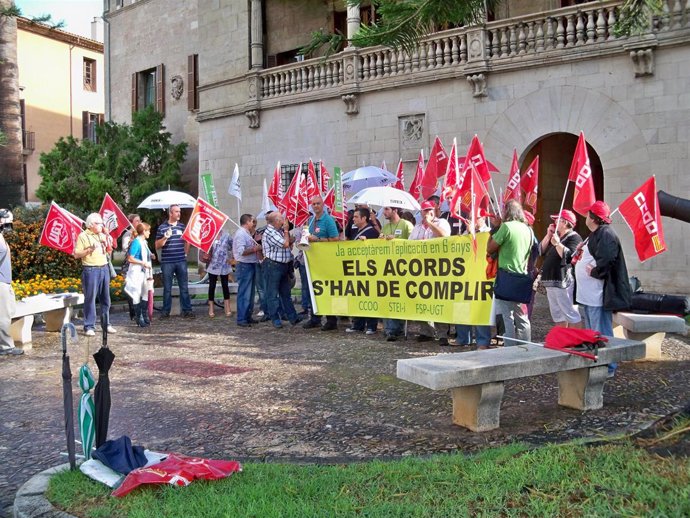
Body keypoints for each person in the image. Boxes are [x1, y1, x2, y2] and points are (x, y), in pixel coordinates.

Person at [574, 201, 632, 377]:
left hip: (597, 295)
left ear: (593, 218)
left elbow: (607, 259)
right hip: (588, 295)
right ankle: (598, 362)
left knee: (602, 332)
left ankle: (609, 366)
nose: (586, 217)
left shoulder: (606, 234)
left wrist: (595, 271)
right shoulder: (596, 233)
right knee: (593, 333)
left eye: (588, 214)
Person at [487, 199, 533, 347]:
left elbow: (490, 248)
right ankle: (526, 346)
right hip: (521, 276)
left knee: (507, 317)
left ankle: (510, 349)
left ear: (507, 212)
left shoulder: (506, 227)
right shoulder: (528, 229)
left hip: (506, 277)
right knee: (522, 316)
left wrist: (496, 227)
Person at [410, 200, 451, 343]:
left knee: (439, 300)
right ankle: (426, 331)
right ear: (421, 212)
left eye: (429, 210)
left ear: (434, 210)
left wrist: (430, 223)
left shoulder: (442, 222)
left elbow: (445, 237)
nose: (427, 213)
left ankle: (442, 334)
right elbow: (408, 245)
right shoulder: (417, 227)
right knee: (421, 299)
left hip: (438, 268)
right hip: (420, 268)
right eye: (424, 210)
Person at [452, 214, 492, 349]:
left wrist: (472, 233)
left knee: (480, 308)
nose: (472, 220)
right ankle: (463, 338)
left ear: (483, 219)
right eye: (470, 217)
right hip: (464, 274)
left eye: (476, 217)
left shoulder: (488, 232)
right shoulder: (465, 231)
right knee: (462, 305)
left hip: (481, 276)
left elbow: (484, 249)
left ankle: (483, 341)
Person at [74, 213, 116, 337]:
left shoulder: (101, 235)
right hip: (91, 269)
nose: (102, 226)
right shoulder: (83, 236)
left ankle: (106, 324)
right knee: (90, 298)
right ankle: (89, 326)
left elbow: (109, 250)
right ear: (91, 224)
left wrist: (107, 242)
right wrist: (89, 250)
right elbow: (76, 254)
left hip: (104, 267)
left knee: (106, 298)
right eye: (99, 224)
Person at [539, 209, 583, 328]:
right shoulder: (556, 237)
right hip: (551, 281)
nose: (554, 222)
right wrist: (548, 235)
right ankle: (562, 340)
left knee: (569, 312)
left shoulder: (575, 238)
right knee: (557, 314)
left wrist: (558, 244)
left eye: (557, 220)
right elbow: (540, 250)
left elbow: (570, 256)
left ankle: (576, 341)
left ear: (564, 222)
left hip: (562, 280)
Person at [302, 195, 340, 331]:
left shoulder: (328, 220)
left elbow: (335, 239)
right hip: (313, 261)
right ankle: (315, 318)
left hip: (327, 261)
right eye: (313, 204)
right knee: (313, 290)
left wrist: (317, 239)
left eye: (318, 203)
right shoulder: (311, 221)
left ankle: (331, 319)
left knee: (328, 290)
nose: (316, 206)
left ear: (323, 205)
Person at [261, 212, 303, 328]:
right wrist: (286, 231)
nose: (284, 221)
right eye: (281, 219)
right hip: (272, 265)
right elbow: (285, 244)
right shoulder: (270, 232)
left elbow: (288, 242)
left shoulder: (278, 231)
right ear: (275, 221)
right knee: (273, 294)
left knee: (286, 293)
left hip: (283, 265)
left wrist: (291, 236)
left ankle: (293, 317)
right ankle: (275, 319)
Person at [380, 206, 415, 342]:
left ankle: (396, 328)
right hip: (388, 268)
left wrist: (396, 240)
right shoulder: (385, 227)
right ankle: (389, 329)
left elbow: (414, 244)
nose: (384, 213)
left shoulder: (406, 225)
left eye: (387, 209)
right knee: (388, 297)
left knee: (398, 298)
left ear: (395, 210)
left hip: (403, 268)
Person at [345, 207, 380, 335]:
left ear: (364, 218)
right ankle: (358, 324)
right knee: (357, 297)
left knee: (369, 298)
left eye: (355, 217)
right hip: (356, 269)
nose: (353, 219)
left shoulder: (372, 232)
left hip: (368, 270)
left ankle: (371, 325)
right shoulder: (355, 231)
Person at [155, 205, 194, 318]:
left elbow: (187, 241)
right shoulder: (162, 227)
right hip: (167, 262)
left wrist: (185, 253)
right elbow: (157, 245)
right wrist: (165, 237)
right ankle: (165, 312)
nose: (179, 214)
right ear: (170, 213)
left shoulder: (182, 226)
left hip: (181, 260)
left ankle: (187, 310)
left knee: (184, 287)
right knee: (167, 288)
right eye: (176, 212)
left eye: (179, 211)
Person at [0, 210, 23, 356]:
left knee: (7, 313)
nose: (11, 225)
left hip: (4, 282)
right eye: (8, 221)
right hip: (1, 283)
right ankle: (6, 346)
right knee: (3, 316)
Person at [233, 214, 260, 327]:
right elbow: (241, 251)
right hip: (244, 265)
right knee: (245, 292)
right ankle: (242, 318)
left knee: (250, 293)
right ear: (247, 221)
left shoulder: (247, 233)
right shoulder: (240, 234)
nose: (253, 224)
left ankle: (247, 316)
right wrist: (255, 249)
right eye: (252, 221)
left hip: (251, 264)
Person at [124, 223, 153, 327]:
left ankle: (144, 315)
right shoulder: (136, 242)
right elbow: (130, 258)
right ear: (144, 231)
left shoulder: (144, 242)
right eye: (148, 231)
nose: (149, 232)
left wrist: (151, 256)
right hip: (137, 271)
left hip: (144, 271)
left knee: (145, 292)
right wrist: (142, 262)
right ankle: (138, 316)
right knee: (136, 293)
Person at [205, 228, 234, 318]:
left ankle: (227, 307)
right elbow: (205, 248)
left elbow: (232, 246)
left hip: (224, 264)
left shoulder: (226, 235)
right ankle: (211, 308)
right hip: (213, 264)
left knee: (225, 285)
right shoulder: (209, 235)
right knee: (212, 286)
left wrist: (231, 257)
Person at [121, 213, 141, 322]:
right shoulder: (127, 235)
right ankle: (132, 311)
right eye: (137, 221)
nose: (139, 223)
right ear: (131, 223)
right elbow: (125, 249)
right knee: (130, 288)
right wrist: (132, 241)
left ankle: (139, 310)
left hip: (139, 265)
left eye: (139, 220)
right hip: (129, 266)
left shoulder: (140, 234)